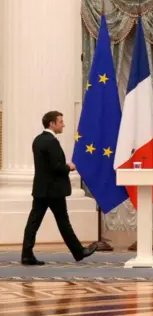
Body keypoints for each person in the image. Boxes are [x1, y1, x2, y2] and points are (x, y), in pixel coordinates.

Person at [21, 111, 97, 265]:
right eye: (61, 122)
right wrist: (69, 167)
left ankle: (27, 254)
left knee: (33, 222)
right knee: (63, 222)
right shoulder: (51, 141)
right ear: (52, 123)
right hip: (54, 190)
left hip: (41, 189)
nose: (63, 125)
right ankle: (79, 251)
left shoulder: (38, 140)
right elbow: (56, 167)